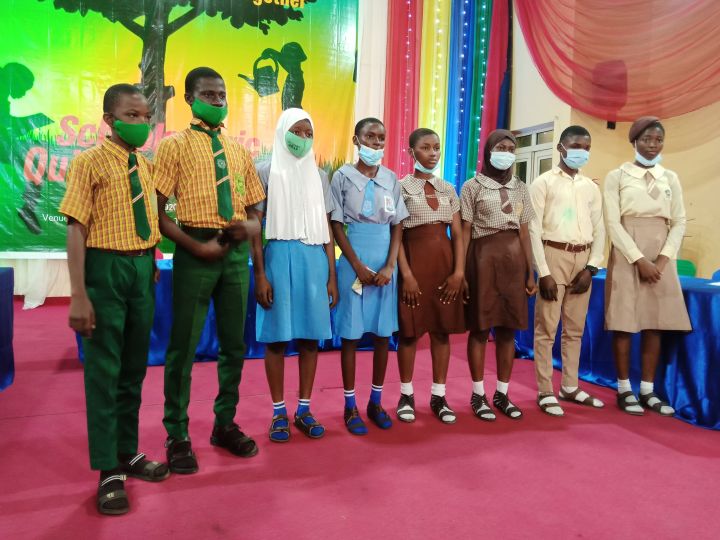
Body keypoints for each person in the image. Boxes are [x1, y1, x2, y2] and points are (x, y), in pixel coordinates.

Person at [60, 84, 169, 515]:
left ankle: (128, 452)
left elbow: (148, 218)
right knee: (104, 372)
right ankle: (108, 470)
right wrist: (78, 295)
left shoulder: (145, 164)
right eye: (132, 115)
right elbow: (74, 229)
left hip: (142, 269)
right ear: (109, 118)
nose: (142, 123)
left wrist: (152, 261)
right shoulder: (88, 163)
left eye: (146, 116)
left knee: (133, 369)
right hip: (105, 270)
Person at [154, 67, 265, 473]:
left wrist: (250, 227)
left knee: (234, 345)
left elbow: (255, 210)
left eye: (222, 94)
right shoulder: (174, 146)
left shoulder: (238, 152)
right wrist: (194, 246)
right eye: (208, 94)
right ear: (189, 98)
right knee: (182, 347)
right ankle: (177, 434)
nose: (218, 100)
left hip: (235, 254)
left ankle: (224, 423)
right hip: (193, 250)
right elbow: (158, 210)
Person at [250, 108, 338, 442]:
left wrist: (331, 275)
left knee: (310, 338)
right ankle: (277, 413)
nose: (301, 139)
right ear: (282, 131)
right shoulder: (265, 170)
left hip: (314, 259)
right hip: (277, 257)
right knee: (276, 338)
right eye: (296, 131)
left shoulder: (320, 175)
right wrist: (260, 274)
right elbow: (255, 228)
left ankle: (304, 409)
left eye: (307, 133)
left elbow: (327, 228)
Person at [604, 116, 691, 416]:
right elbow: (612, 223)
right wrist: (638, 259)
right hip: (628, 250)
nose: (653, 145)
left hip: (662, 253)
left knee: (655, 322)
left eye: (658, 140)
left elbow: (679, 221)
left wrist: (663, 260)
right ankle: (624, 388)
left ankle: (647, 390)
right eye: (646, 139)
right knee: (625, 322)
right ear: (634, 142)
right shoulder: (618, 176)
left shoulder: (671, 178)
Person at [330, 117, 409, 435]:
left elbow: (398, 225)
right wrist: (358, 266)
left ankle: (375, 402)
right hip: (354, 261)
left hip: (384, 261)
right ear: (356, 140)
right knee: (350, 336)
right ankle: (349, 406)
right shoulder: (342, 177)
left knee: (381, 334)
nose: (376, 143)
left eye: (381, 138)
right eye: (370, 137)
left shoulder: (392, 178)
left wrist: (391, 266)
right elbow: (336, 224)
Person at [528, 126, 606, 417]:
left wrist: (592, 266)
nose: (580, 152)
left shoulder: (590, 187)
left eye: (586, 147)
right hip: (553, 254)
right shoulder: (543, 183)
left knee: (575, 329)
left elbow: (600, 228)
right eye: (575, 146)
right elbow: (534, 229)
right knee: (547, 328)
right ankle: (546, 390)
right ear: (560, 147)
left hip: (582, 258)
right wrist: (543, 271)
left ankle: (570, 386)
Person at [460, 129, 537, 421]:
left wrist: (531, 272)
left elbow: (525, 231)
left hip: (514, 260)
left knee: (508, 329)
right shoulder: (472, 186)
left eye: (510, 147)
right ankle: (478, 394)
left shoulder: (520, 187)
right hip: (482, 259)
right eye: (500, 147)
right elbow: (465, 231)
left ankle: (502, 393)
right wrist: (462, 271)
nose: (506, 152)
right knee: (480, 329)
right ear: (489, 151)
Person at [396, 128, 466, 424]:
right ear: (411, 153)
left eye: (437, 147)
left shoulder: (449, 188)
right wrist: (407, 275)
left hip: (445, 266)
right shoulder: (399, 187)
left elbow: (459, 234)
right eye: (426, 148)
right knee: (410, 333)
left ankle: (439, 395)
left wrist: (459, 272)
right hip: (414, 264)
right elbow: (396, 235)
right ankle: (406, 394)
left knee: (441, 331)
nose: (433, 153)